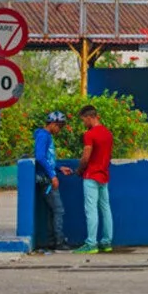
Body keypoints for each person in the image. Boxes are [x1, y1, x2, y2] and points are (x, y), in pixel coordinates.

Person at [75, 103, 114, 253]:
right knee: (106, 209)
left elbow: (86, 157)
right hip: (104, 175)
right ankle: (107, 242)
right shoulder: (108, 134)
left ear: (90, 117)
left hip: (91, 176)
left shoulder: (90, 134)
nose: (84, 123)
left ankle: (91, 243)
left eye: (84, 120)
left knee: (91, 210)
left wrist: (79, 170)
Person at [31, 110, 70, 251]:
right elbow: (40, 157)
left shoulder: (46, 136)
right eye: (59, 126)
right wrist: (53, 176)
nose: (59, 129)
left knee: (52, 211)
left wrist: (59, 168)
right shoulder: (43, 136)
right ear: (53, 124)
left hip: (48, 176)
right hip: (47, 180)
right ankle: (58, 242)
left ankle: (52, 240)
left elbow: (47, 158)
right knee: (58, 210)